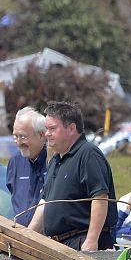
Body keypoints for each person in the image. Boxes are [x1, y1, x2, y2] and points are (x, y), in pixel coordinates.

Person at [28, 101, 117, 251]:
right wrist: (27, 235)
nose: (47, 134)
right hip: (60, 244)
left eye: (52, 128)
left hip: (82, 241)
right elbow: (45, 202)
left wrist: (91, 240)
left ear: (71, 128)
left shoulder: (88, 154)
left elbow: (100, 197)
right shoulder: (55, 160)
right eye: (46, 129)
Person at [6, 106, 48, 226]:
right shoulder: (15, 162)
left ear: (41, 135)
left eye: (23, 137)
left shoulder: (54, 162)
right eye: (15, 136)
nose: (18, 143)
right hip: (19, 238)